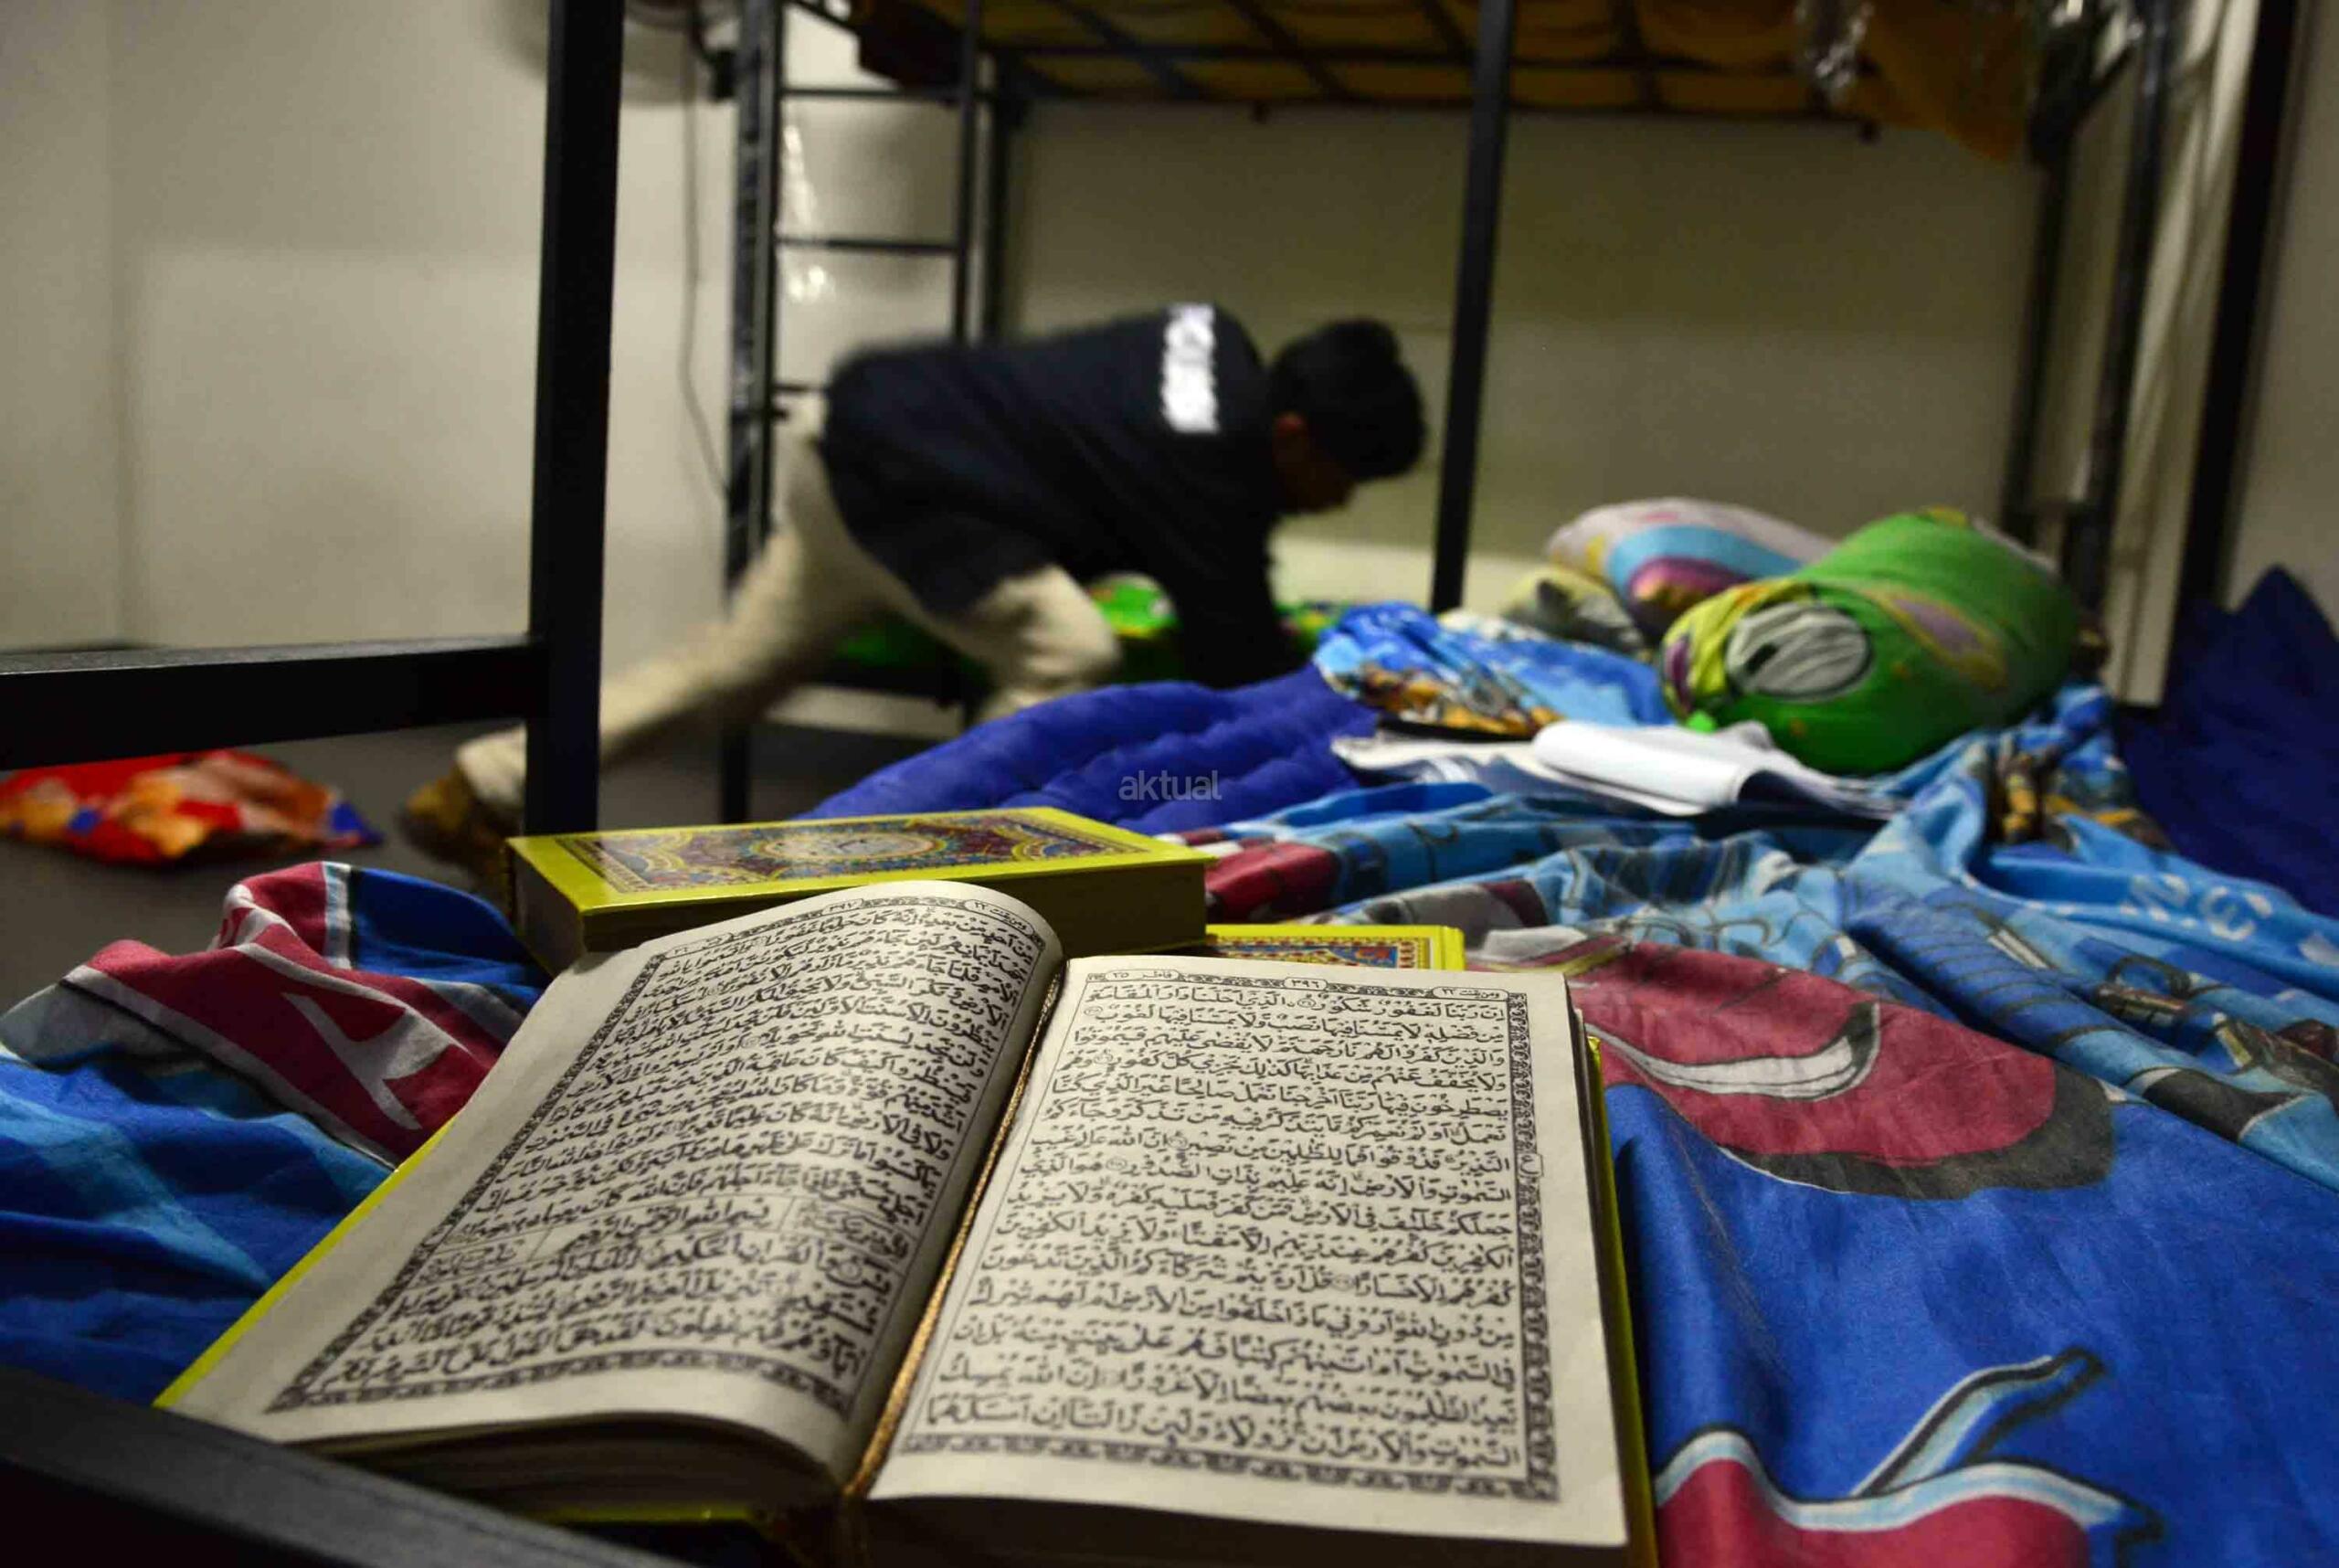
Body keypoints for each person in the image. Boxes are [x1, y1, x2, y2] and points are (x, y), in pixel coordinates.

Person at [400, 305, 1425, 875]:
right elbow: (1235, 655)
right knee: (1069, 651)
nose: (1336, 502)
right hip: (903, 486)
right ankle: (958, 858)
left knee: (733, 672)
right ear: (1294, 434)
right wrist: (1343, 692)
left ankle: (483, 781)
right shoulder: (1219, 465)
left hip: (855, 438)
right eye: (1343, 478)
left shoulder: (1207, 338)